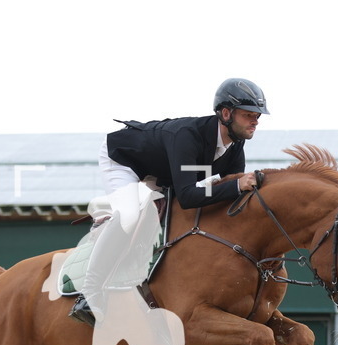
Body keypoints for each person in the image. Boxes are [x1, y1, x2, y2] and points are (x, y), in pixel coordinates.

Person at [70, 78, 270, 326]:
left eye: (258, 115)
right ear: (226, 113)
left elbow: (229, 196)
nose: (256, 121)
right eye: (248, 114)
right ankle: (89, 291)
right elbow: (188, 196)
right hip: (124, 160)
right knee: (131, 215)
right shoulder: (189, 136)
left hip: (163, 172)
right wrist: (237, 185)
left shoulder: (235, 146)